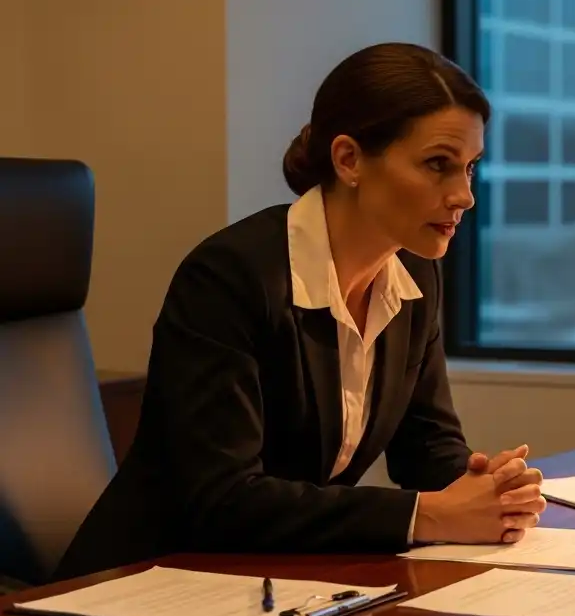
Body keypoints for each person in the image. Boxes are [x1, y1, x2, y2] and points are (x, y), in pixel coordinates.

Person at [57, 42, 546, 580]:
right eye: (438, 165)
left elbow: (427, 449)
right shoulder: (230, 277)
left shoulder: (415, 276)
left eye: (470, 168)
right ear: (349, 159)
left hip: (272, 586)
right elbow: (222, 498)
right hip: (141, 589)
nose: (464, 196)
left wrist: (485, 491)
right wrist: (428, 514)